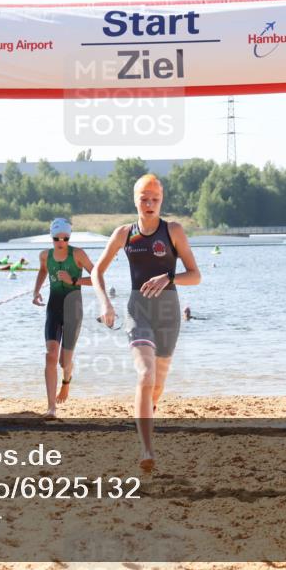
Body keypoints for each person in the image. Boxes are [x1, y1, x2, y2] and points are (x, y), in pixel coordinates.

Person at [92, 174, 201, 473]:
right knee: (145, 374)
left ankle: (145, 414)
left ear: (161, 200)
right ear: (135, 200)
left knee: (157, 383)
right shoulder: (124, 234)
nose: (149, 204)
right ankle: (146, 449)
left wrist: (169, 277)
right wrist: (105, 303)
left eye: (155, 198)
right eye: (144, 198)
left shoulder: (173, 231)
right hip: (137, 311)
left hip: (168, 314)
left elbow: (195, 275)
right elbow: (96, 272)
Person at [32, 218, 95, 419]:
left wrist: (73, 280)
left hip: (73, 309)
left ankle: (67, 381)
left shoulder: (78, 254)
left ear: (69, 237)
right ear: (51, 238)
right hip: (54, 308)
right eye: (57, 238)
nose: (61, 242)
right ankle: (51, 407)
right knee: (50, 355)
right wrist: (36, 292)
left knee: (64, 361)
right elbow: (43, 271)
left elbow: (97, 277)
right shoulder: (44, 256)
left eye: (65, 238)